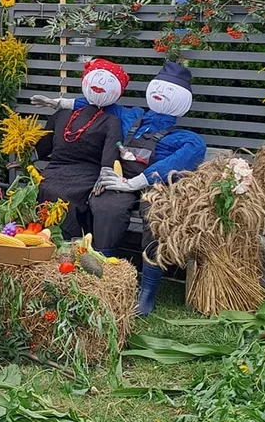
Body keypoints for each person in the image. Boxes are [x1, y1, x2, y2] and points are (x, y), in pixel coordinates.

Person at [33, 61, 206, 316]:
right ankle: (107, 273)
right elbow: (99, 103)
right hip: (118, 179)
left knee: (157, 215)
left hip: (155, 187)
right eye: (158, 88)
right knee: (105, 206)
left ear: (183, 102)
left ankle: (147, 291)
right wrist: (60, 103)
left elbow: (179, 161)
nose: (161, 95)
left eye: (170, 92)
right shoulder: (132, 115)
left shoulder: (187, 138)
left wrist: (136, 182)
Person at [32, 59, 124, 245]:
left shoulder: (111, 121)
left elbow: (109, 155)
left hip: (87, 174)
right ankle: (33, 240)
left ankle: (66, 245)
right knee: (37, 189)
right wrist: (26, 157)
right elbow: (43, 147)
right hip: (55, 170)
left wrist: (104, 175)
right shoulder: (60, 115)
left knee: (66, 197)